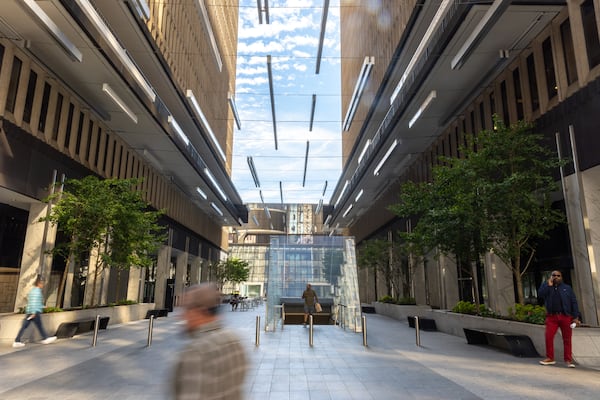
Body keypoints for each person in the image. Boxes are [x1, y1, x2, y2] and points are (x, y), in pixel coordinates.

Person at [173, 283, 247, 400]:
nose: (181, 316)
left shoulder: (196, 352)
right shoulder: (234, 340)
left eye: (186, 309)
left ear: (200, 310)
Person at [537, 270, 580, 368]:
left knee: (567, 339)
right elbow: (540, 294)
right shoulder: (547, 286)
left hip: (565, 316)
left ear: (561, 277)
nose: (556, 277)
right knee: (548, 337)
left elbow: (574, 302)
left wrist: (576, 317)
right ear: (551, 276)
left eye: (558, 275)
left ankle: (568, 360)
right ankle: (550, 358)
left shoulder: (567, 288)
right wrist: (548, 285)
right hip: (552, 317)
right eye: (554, 275)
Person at [13, 275, 57, 348]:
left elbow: (35, 302)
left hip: (31, 311)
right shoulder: (37, 291)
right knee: (36, 326)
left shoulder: (33, 290)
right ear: (39, 283)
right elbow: (34, 302)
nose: (43, 285)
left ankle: (17, 340)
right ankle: (45, 338)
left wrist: (43, 307)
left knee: (26, 326)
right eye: (42, 283)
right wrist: (34, 312)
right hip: (34, 312)